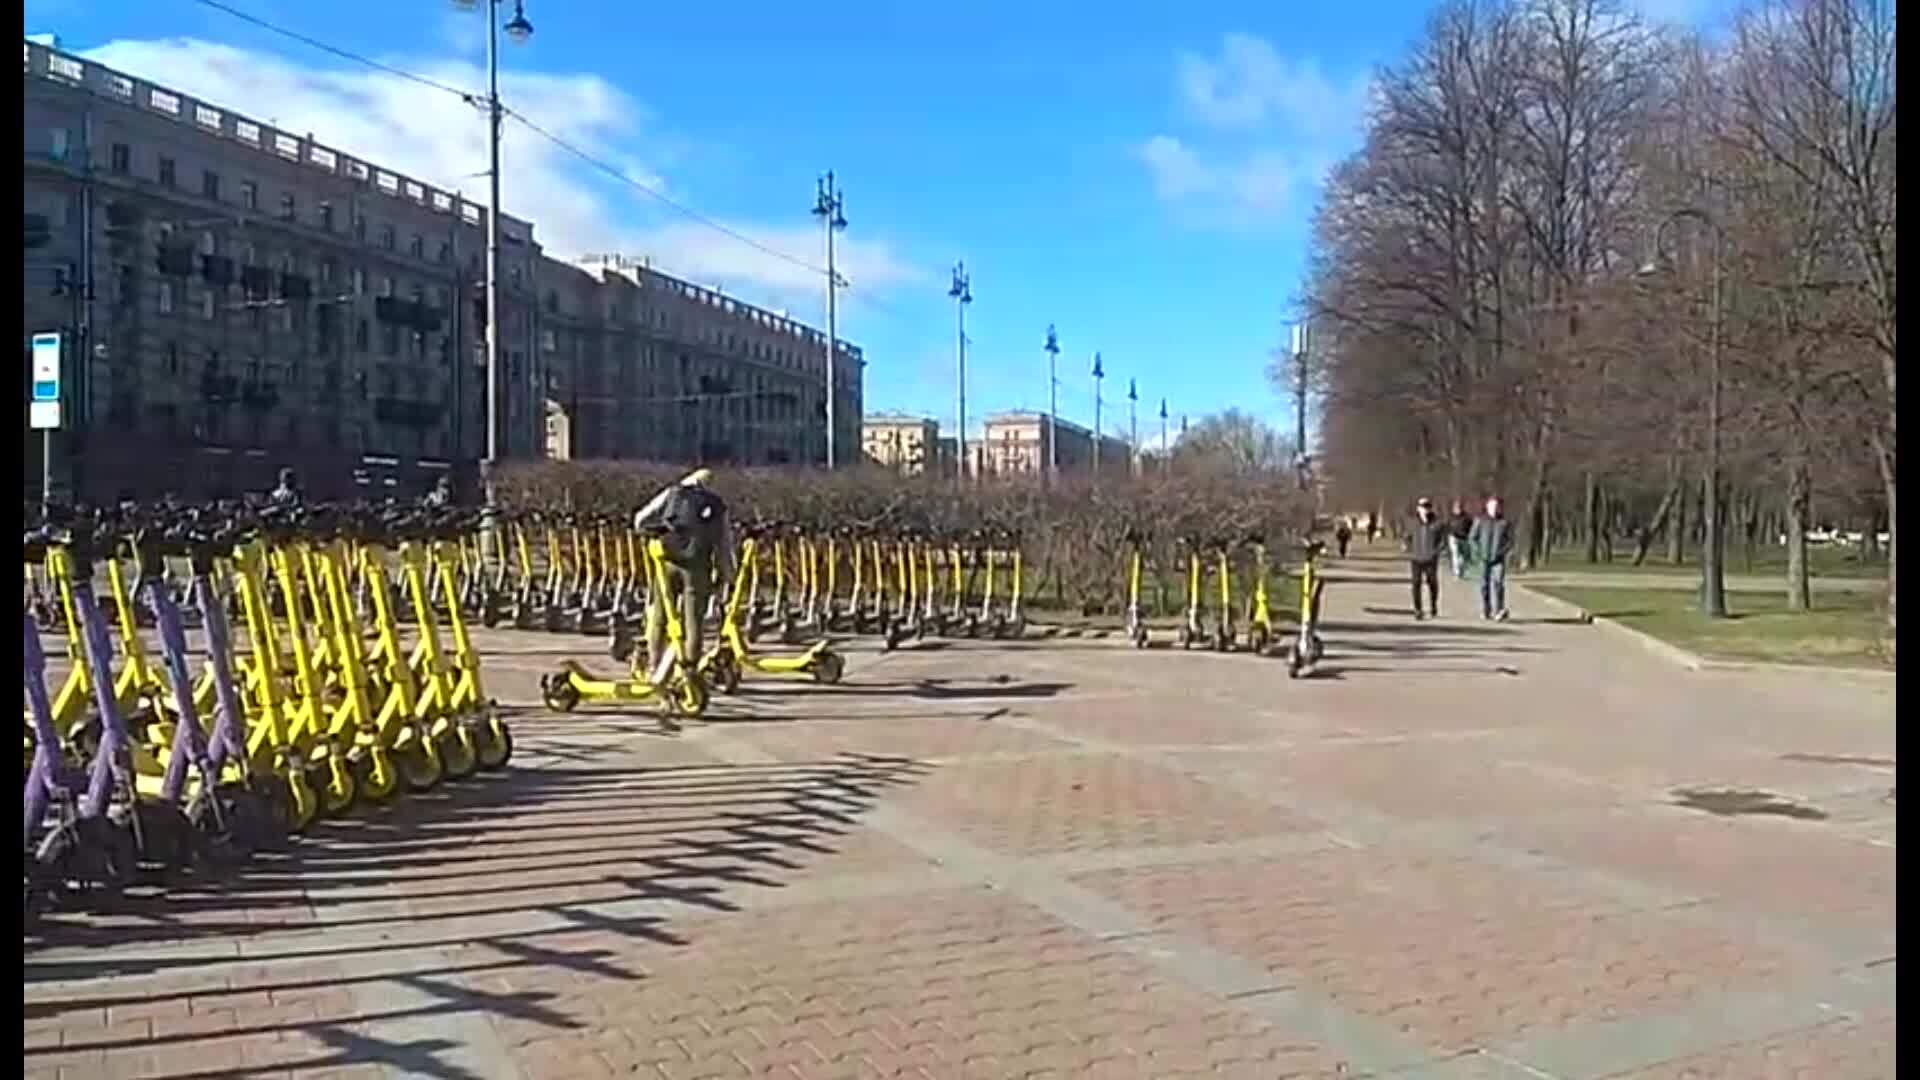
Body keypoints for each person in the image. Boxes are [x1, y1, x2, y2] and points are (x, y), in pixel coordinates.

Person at [632, 468, 735, 725]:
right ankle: (688, 672)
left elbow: (640, 519)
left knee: (660, 616)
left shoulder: (672, 494)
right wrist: (727, 575)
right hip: (697, 567)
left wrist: (657, 531)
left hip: (667, 562)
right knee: (693, 624)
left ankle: (655, 669)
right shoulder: (716, 506)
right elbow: (724, 545)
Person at [1468, 495, 1514, 621]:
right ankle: (1486, 609)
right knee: (1484, 585)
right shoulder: (1480, 521)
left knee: (1498, 583)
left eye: (1497, 507)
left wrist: (1502, 551)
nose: (1494, 509)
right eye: (1492, 506)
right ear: (1487, 507)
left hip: (1498, 559)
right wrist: (1478, 552)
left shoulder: (1504, 523)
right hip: (1483, 558)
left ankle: (1499, 609)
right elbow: (1472, 538)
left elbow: (1510, 541)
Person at [1404, 497, 1448, 620]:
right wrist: (1410, 549)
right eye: (1423, 507)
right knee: (1416, 584)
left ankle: (1433, 606)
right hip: (1416, 558)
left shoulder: (1437, 523)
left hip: (1431, 559)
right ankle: (1418, 609)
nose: (1425, 509)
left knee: (1432, 583)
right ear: (1418, 508)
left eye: (1427, 507)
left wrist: (1437, 551)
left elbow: (1443, 540)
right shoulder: (1413, 523)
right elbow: (1407, 537)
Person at [1446, 499, 1473, 580]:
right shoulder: (1451, 517)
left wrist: (1469, 536)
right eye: (1456, 508)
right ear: (1454, 508)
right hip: (1453, 538)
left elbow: (1471, 528)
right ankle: (1457, 572)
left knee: (1463, 558)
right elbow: (1447, 527)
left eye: (1459, 507)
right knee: (1455, 555)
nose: (1458, 509)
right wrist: (1448, 536)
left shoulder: (1467, 517)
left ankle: (1461, 571)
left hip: (1464, 538)